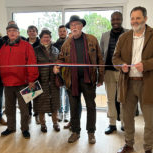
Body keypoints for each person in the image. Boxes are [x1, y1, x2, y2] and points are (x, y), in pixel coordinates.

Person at [112, 6, 153, 153]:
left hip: (148, 84)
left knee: (149, 120)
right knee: (127, 117)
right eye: (132, 18)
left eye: (138, 18)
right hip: (128, 84)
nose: (134, 21)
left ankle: (148, 149)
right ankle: (129, 144)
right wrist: (121, 65)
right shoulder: (123, 37)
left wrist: (146, 64)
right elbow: (115, 58)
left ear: (145, 18)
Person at [54, 15, 104, 144]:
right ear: (70, 28)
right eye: (72, 25)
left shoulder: (92, 39)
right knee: (74, 107)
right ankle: (75, 132)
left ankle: (91, 132)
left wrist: (101, 77)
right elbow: (60, 58)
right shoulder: (66, 43)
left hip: (89, 80)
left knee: (91, 106)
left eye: (77, 24)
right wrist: (57, 65)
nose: (74, 27)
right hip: (72, 81)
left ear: (82, 26)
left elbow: (100, 59)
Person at [0, 24, 38, 139]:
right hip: (7, 83)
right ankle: (11, 127)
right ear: (7, 33)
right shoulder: (3, 48)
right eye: (9, 31)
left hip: (23, 83)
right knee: (9, 109)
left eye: (14, 30)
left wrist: (31, 80)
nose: (12, 33)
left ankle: (25, 129)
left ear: (19, 32)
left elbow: (32, 63)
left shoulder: (26, 46)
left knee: (25, 109)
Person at [100, 11, 128, 134]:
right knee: (110, 99)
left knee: (123, 99)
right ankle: (112, 124)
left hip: (124, 73)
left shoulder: (129, 33)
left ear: (121, 20)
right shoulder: (104, 35)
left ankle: (124, 123)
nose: (115, 21)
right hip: (109, 72)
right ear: (111, 21)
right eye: (113, 19)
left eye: (118, 19)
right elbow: (101, 54)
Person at [33, 29, 61, 133]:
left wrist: (57, 67)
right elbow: (32, 66)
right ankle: (43, 124)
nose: (46, 39)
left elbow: (59, 62)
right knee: (40, 104)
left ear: (50, 38)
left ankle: (55, 123)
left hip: (53, 81)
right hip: (40, 80)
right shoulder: (35, 50)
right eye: (44, 37)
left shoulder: (55, 50)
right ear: (41, 38)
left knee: (54, 103)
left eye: (48, 37)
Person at [54, 25, 70, 123]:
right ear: (58, 33)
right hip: (58, 74)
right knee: (59, 95)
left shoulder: (71, 43)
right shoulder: (55, 45)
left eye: (64, 31)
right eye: (60, 31)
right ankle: (60, 112)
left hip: (69, 74)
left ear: (67, 32)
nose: (62, 33)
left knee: (68, 96)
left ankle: (67, 113)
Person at [26, 25, 40, 123]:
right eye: (30, 31)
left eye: (33, 31)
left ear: (36, 33)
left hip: (38, 72)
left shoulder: (41, 43)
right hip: (26, 72)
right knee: (27, 96)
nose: (32, 32)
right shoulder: (24, 43)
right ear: (27, 33)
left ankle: (37, 115)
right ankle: (29, 115)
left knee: (37, 95)